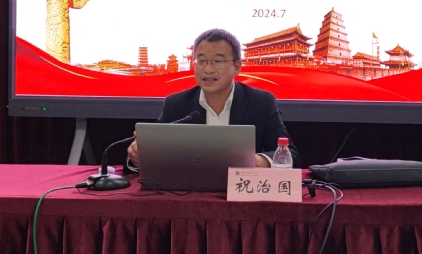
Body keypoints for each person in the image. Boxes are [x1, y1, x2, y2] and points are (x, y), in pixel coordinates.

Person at [127, 28, 301, 169]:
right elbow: (142, 156)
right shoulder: (176, 104)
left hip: (241, 193)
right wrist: (137, 155)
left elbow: (291, 156)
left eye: (217, 61)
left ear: (237, 67)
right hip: (189, 193)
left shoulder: (260, 102)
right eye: (202, 61)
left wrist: (258, 161)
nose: (208, 69)